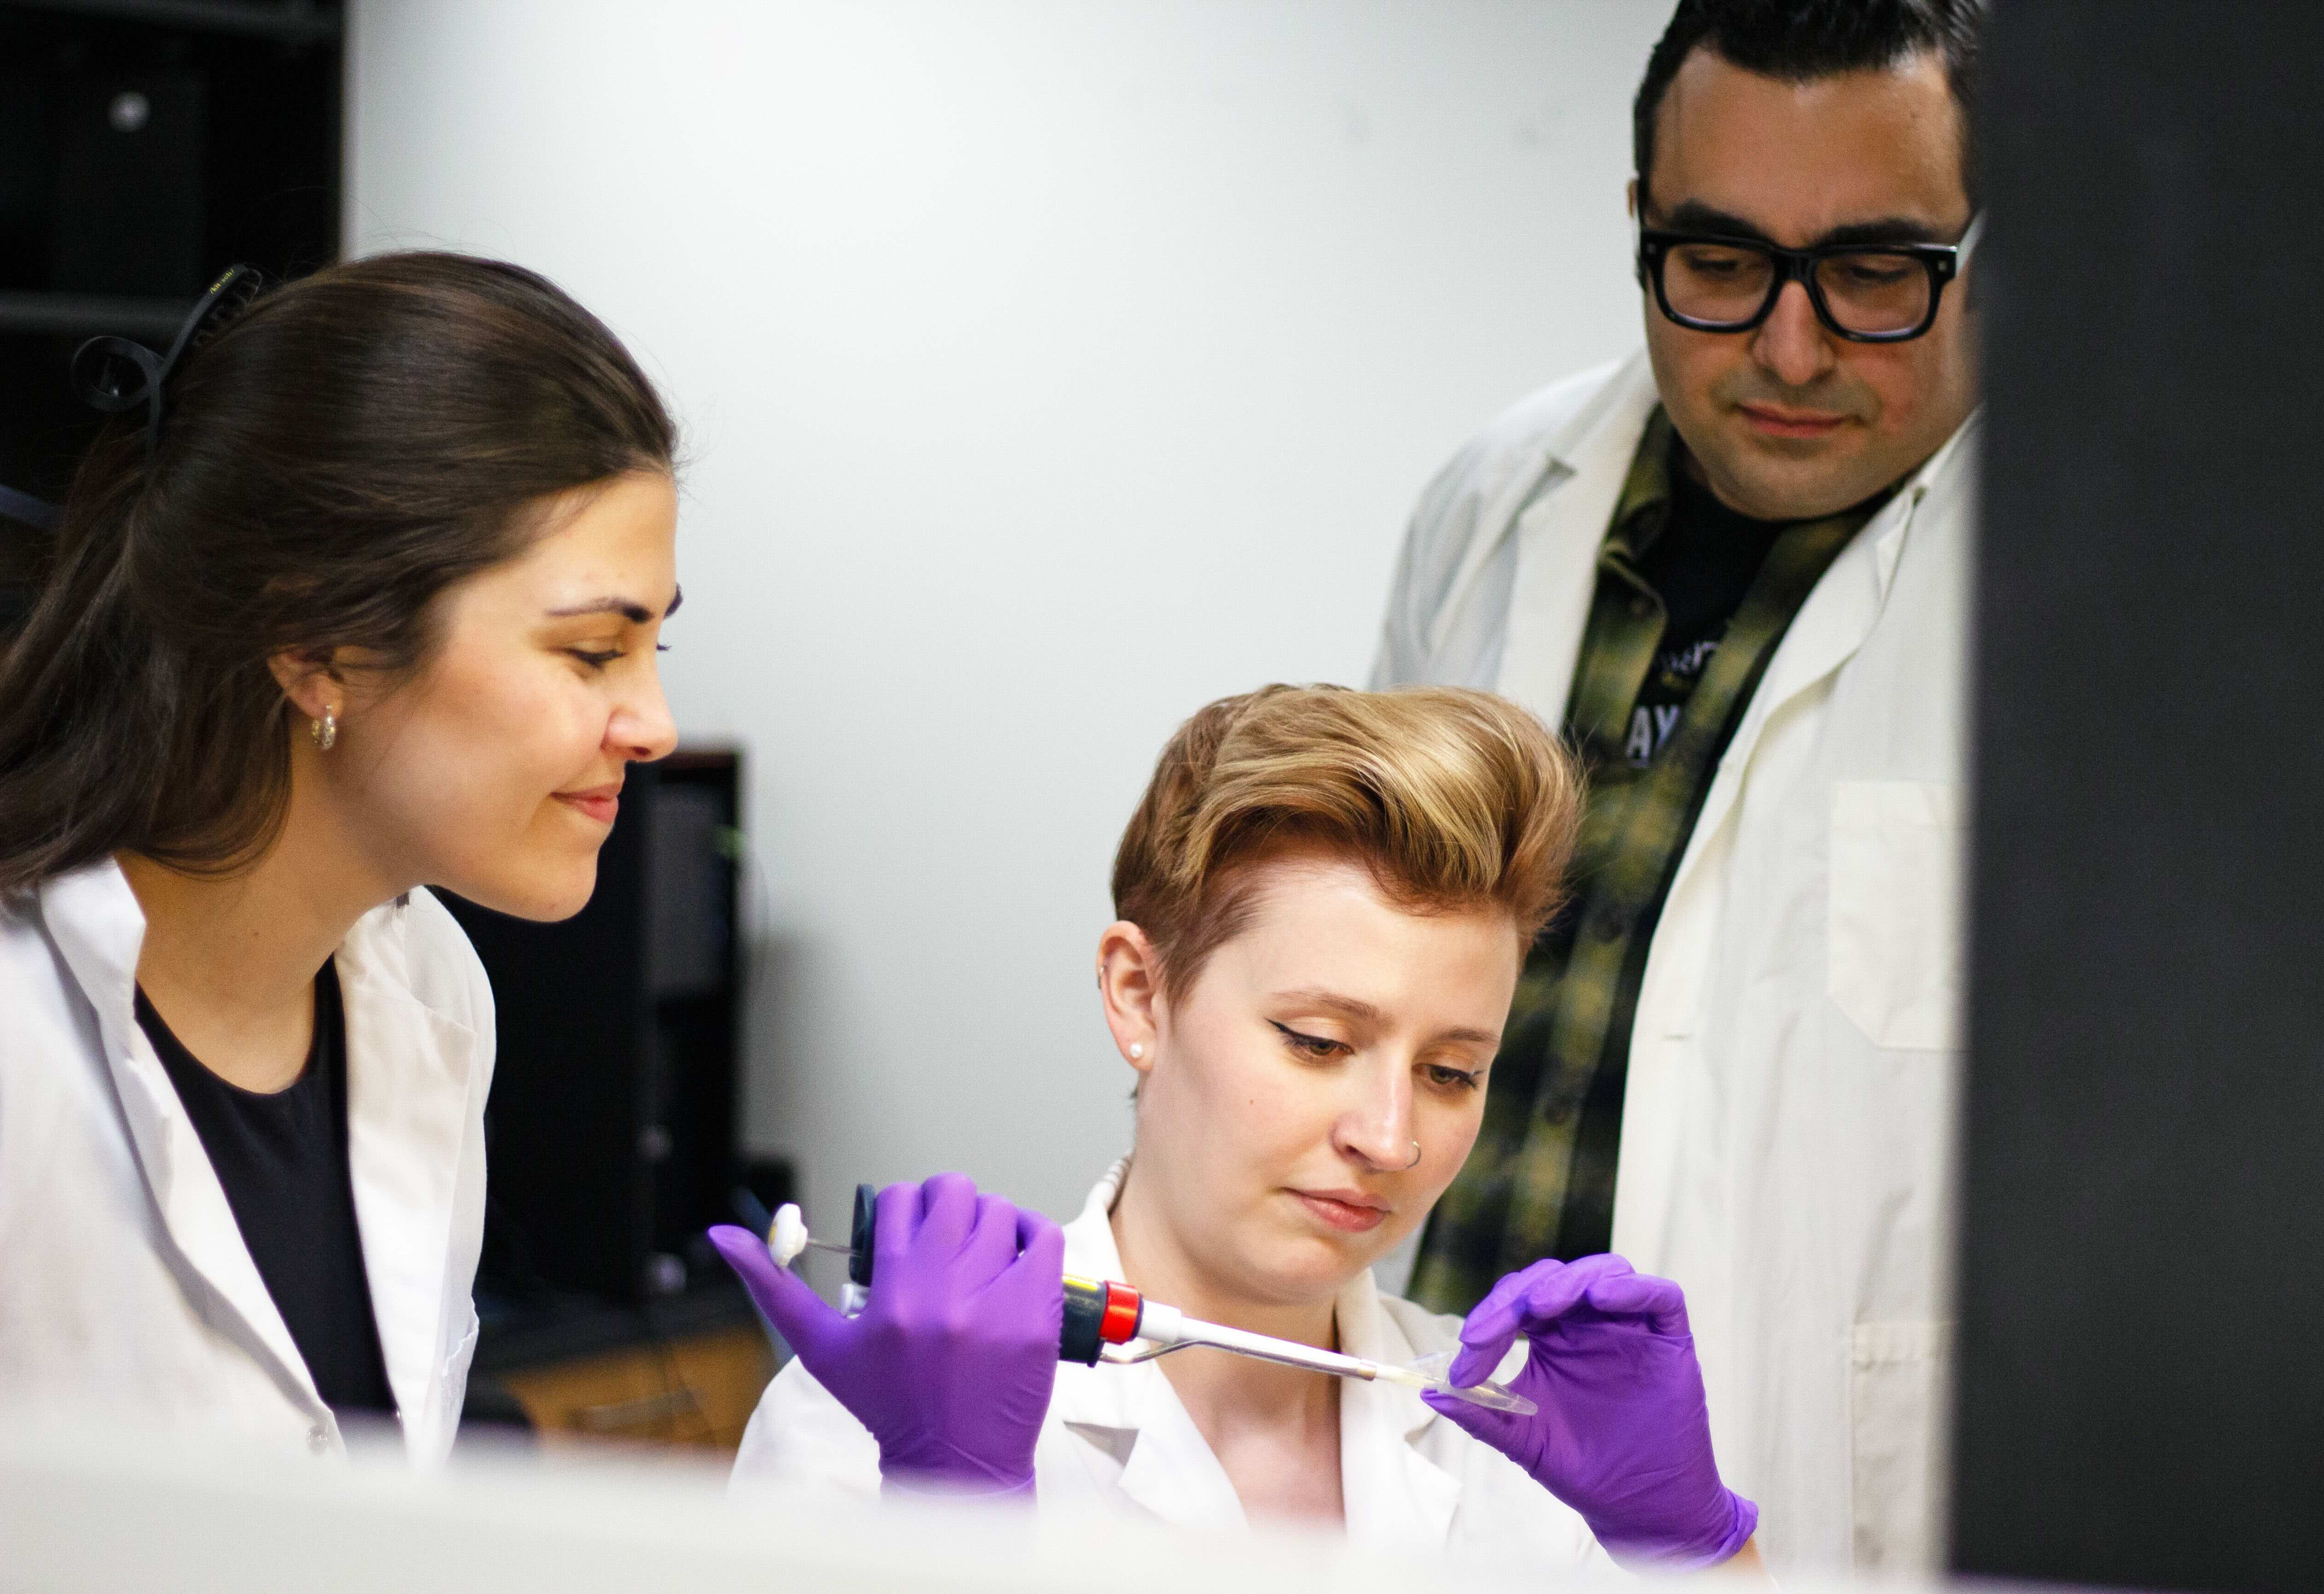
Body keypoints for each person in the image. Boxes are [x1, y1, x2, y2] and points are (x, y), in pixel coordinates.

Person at [0, 254, 1052, 1475]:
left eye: (654, 648)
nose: (654, 725)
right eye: (594, 651)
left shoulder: (432, 990)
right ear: (320, 644)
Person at [1370, 0, 1981, 1571]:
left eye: (1874, 272)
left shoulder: (2096, 599)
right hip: (1428, 1462)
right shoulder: (1492, 506)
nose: (1790, 348)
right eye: (1716, 261)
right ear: (1641, 220)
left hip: (1805, 1501)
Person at [719, 685, 1762, 1572]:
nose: (1390, 1139)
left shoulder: (1523, 1453)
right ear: (1140, 994)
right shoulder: (868, 1428)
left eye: (1452, 1072)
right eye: (1318, 1041)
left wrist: (1695, 1551)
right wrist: (954, 1542)